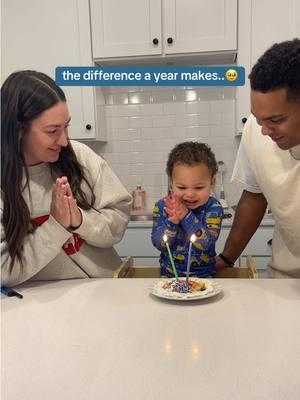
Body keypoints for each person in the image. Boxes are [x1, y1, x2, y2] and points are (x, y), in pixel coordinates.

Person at [1, 70, 132, 287]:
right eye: (52, 130)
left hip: (106, 291)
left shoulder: (81, 157)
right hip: (42, 305)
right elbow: (4, 268)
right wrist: (56, 225)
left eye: (66, 126)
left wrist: (79, 219)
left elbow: (118, 222)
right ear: (18, 130)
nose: (64, 141)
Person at [217, 38, 300, 278]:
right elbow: (254, 196)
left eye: (275, 120)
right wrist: (226, 258)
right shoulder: (256, 128)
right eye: (258, 117)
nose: (264, 130)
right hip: (283, 278)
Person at [151, 141, 223, 278]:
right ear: (171, 182)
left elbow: (205, 244)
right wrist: (171, 223)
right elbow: (159, 244)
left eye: (198, 188)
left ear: (212, 182)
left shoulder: (214, 208)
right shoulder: (162, 206)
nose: (189, 194)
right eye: (182, 187)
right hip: (169, 278)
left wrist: (185, 215)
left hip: (205, 280)